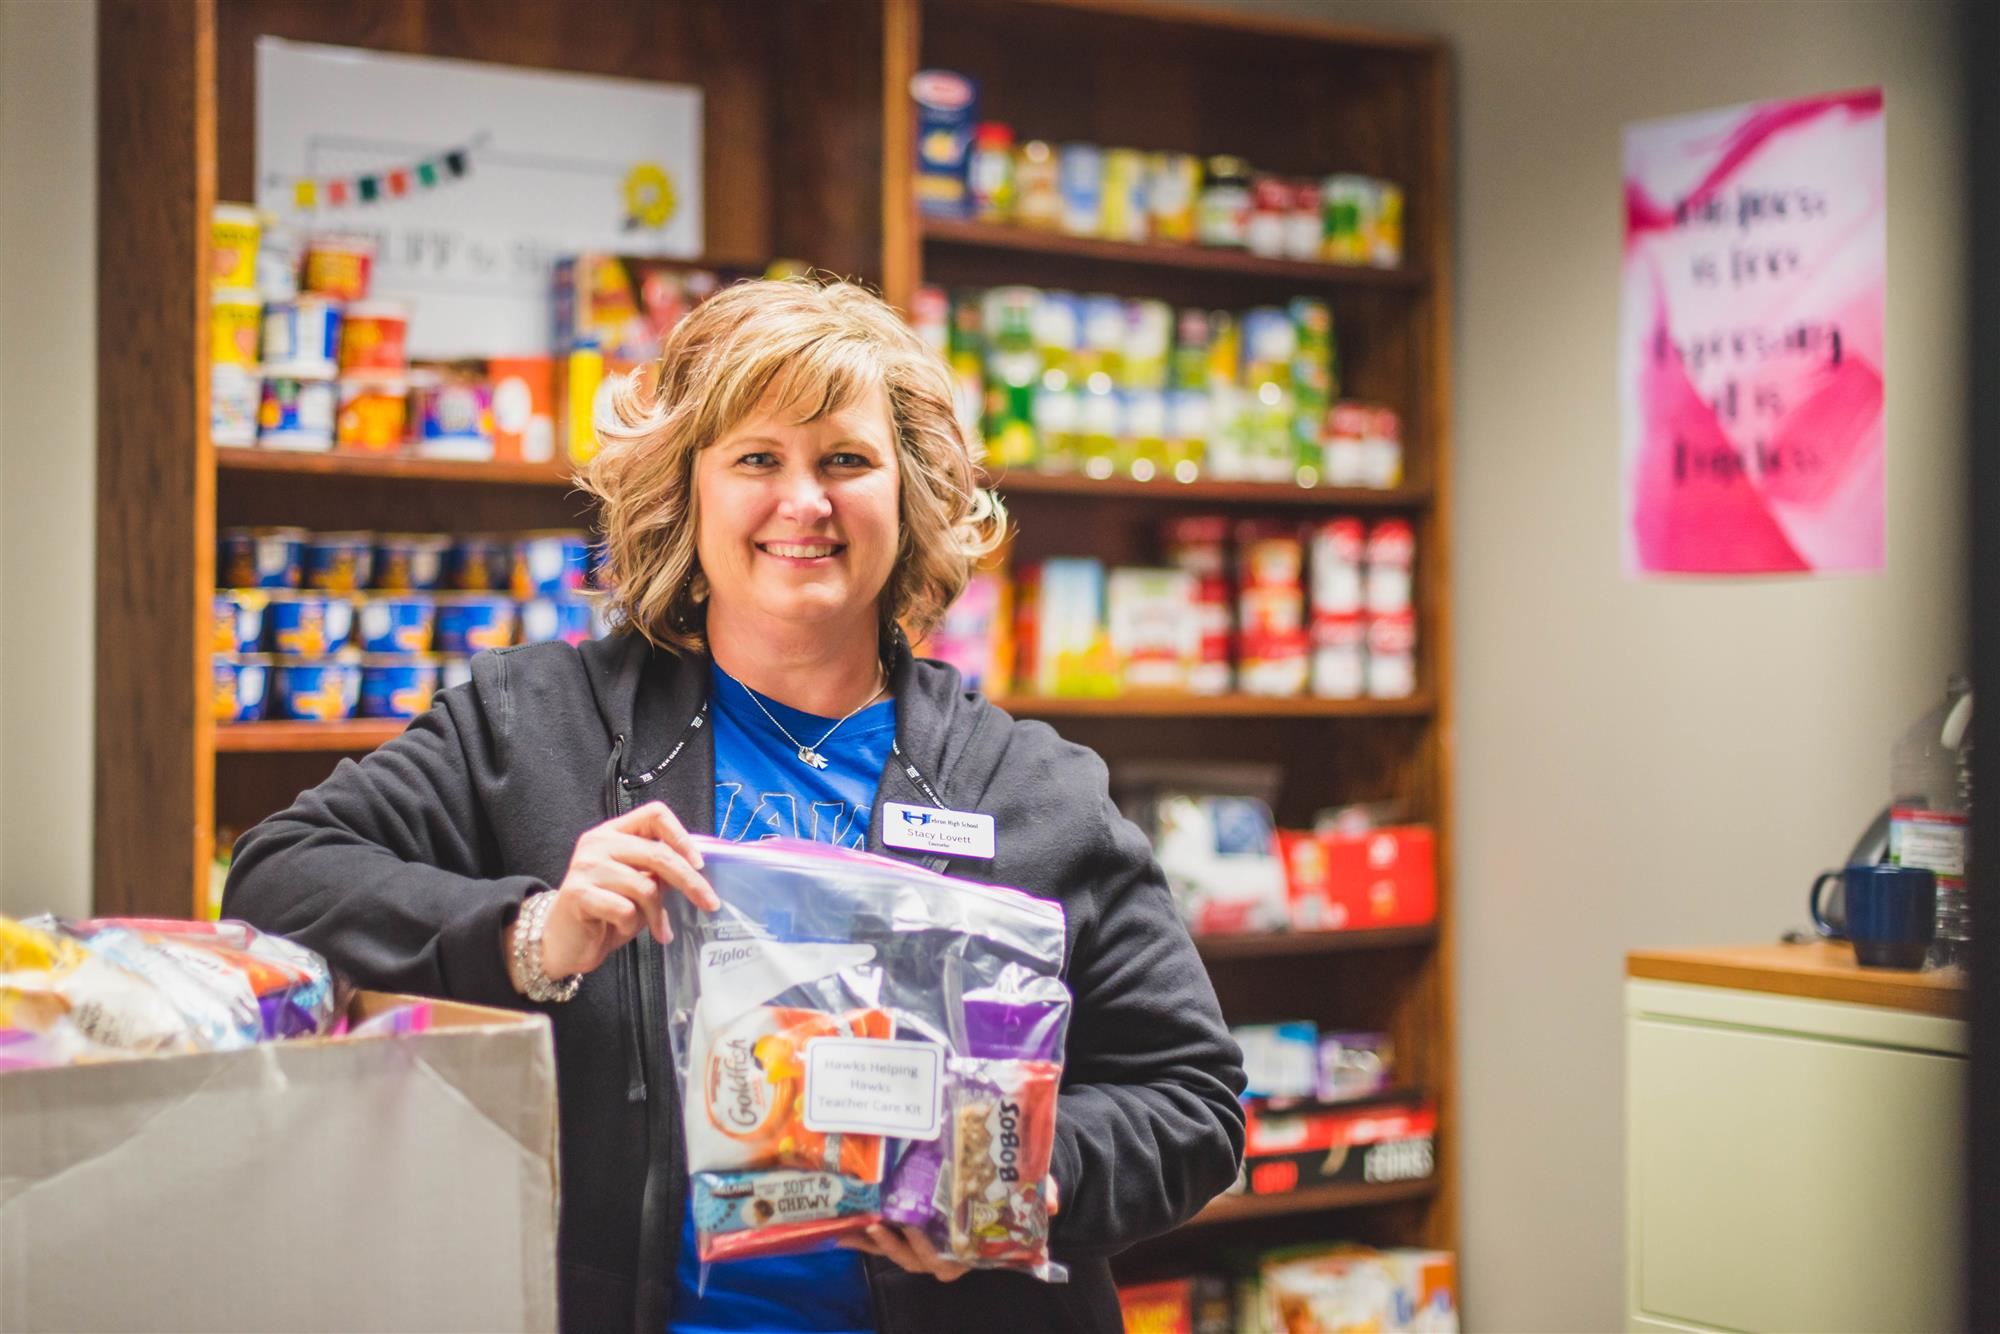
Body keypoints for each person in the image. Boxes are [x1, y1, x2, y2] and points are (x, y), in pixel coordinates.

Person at [224, 277, 1246, 1334]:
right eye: (757, 458)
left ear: (910, 496)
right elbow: (279, 875)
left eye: (845, 459)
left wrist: (1019, 1178)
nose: (803, 501)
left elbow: (1191, 1099)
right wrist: (534, 931)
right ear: (688, 491)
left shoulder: (1030, 784)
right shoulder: (535, 722)